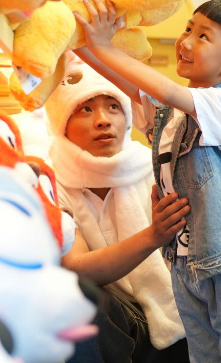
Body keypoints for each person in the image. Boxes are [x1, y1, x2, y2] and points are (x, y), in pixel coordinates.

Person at [74, 0, 221, 362]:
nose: (186, 41)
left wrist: (103, 45)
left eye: (203, 36)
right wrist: (80, 40)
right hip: (185, 264)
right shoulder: (170, 113)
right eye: (188, 29)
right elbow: (125, 80)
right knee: (203, 356)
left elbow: (163, 89)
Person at [44, 54, 189, 362]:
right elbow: (75, 267)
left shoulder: (156, 167)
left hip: (177, 304)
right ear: (62, 123)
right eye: (85, 109)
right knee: (79, 295)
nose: (103, 120)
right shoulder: (52, 183)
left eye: (113, 106)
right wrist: (154, 236)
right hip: (115, 314)